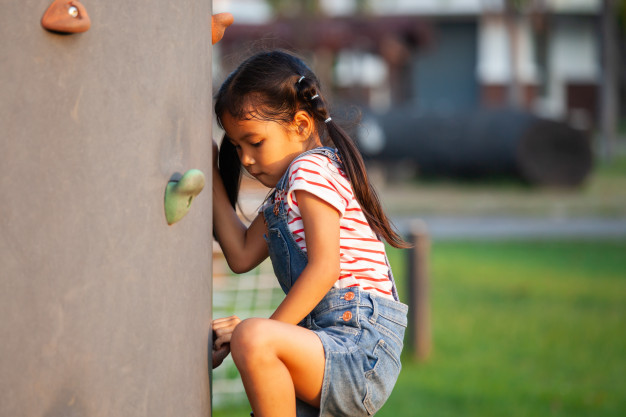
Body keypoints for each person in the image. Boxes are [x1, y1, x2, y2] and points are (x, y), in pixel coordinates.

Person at [211, 50, 409, 417]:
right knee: (253, 337)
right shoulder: (284, 194)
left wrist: (258, 338)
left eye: (255, 142)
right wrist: (211, 171)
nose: (246, 160)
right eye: (237, 147)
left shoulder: (310, 170)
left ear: (301, 126)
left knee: (253, 336)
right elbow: (239, 255)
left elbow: (324, 269)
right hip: (327, 340)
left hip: (359, 344)